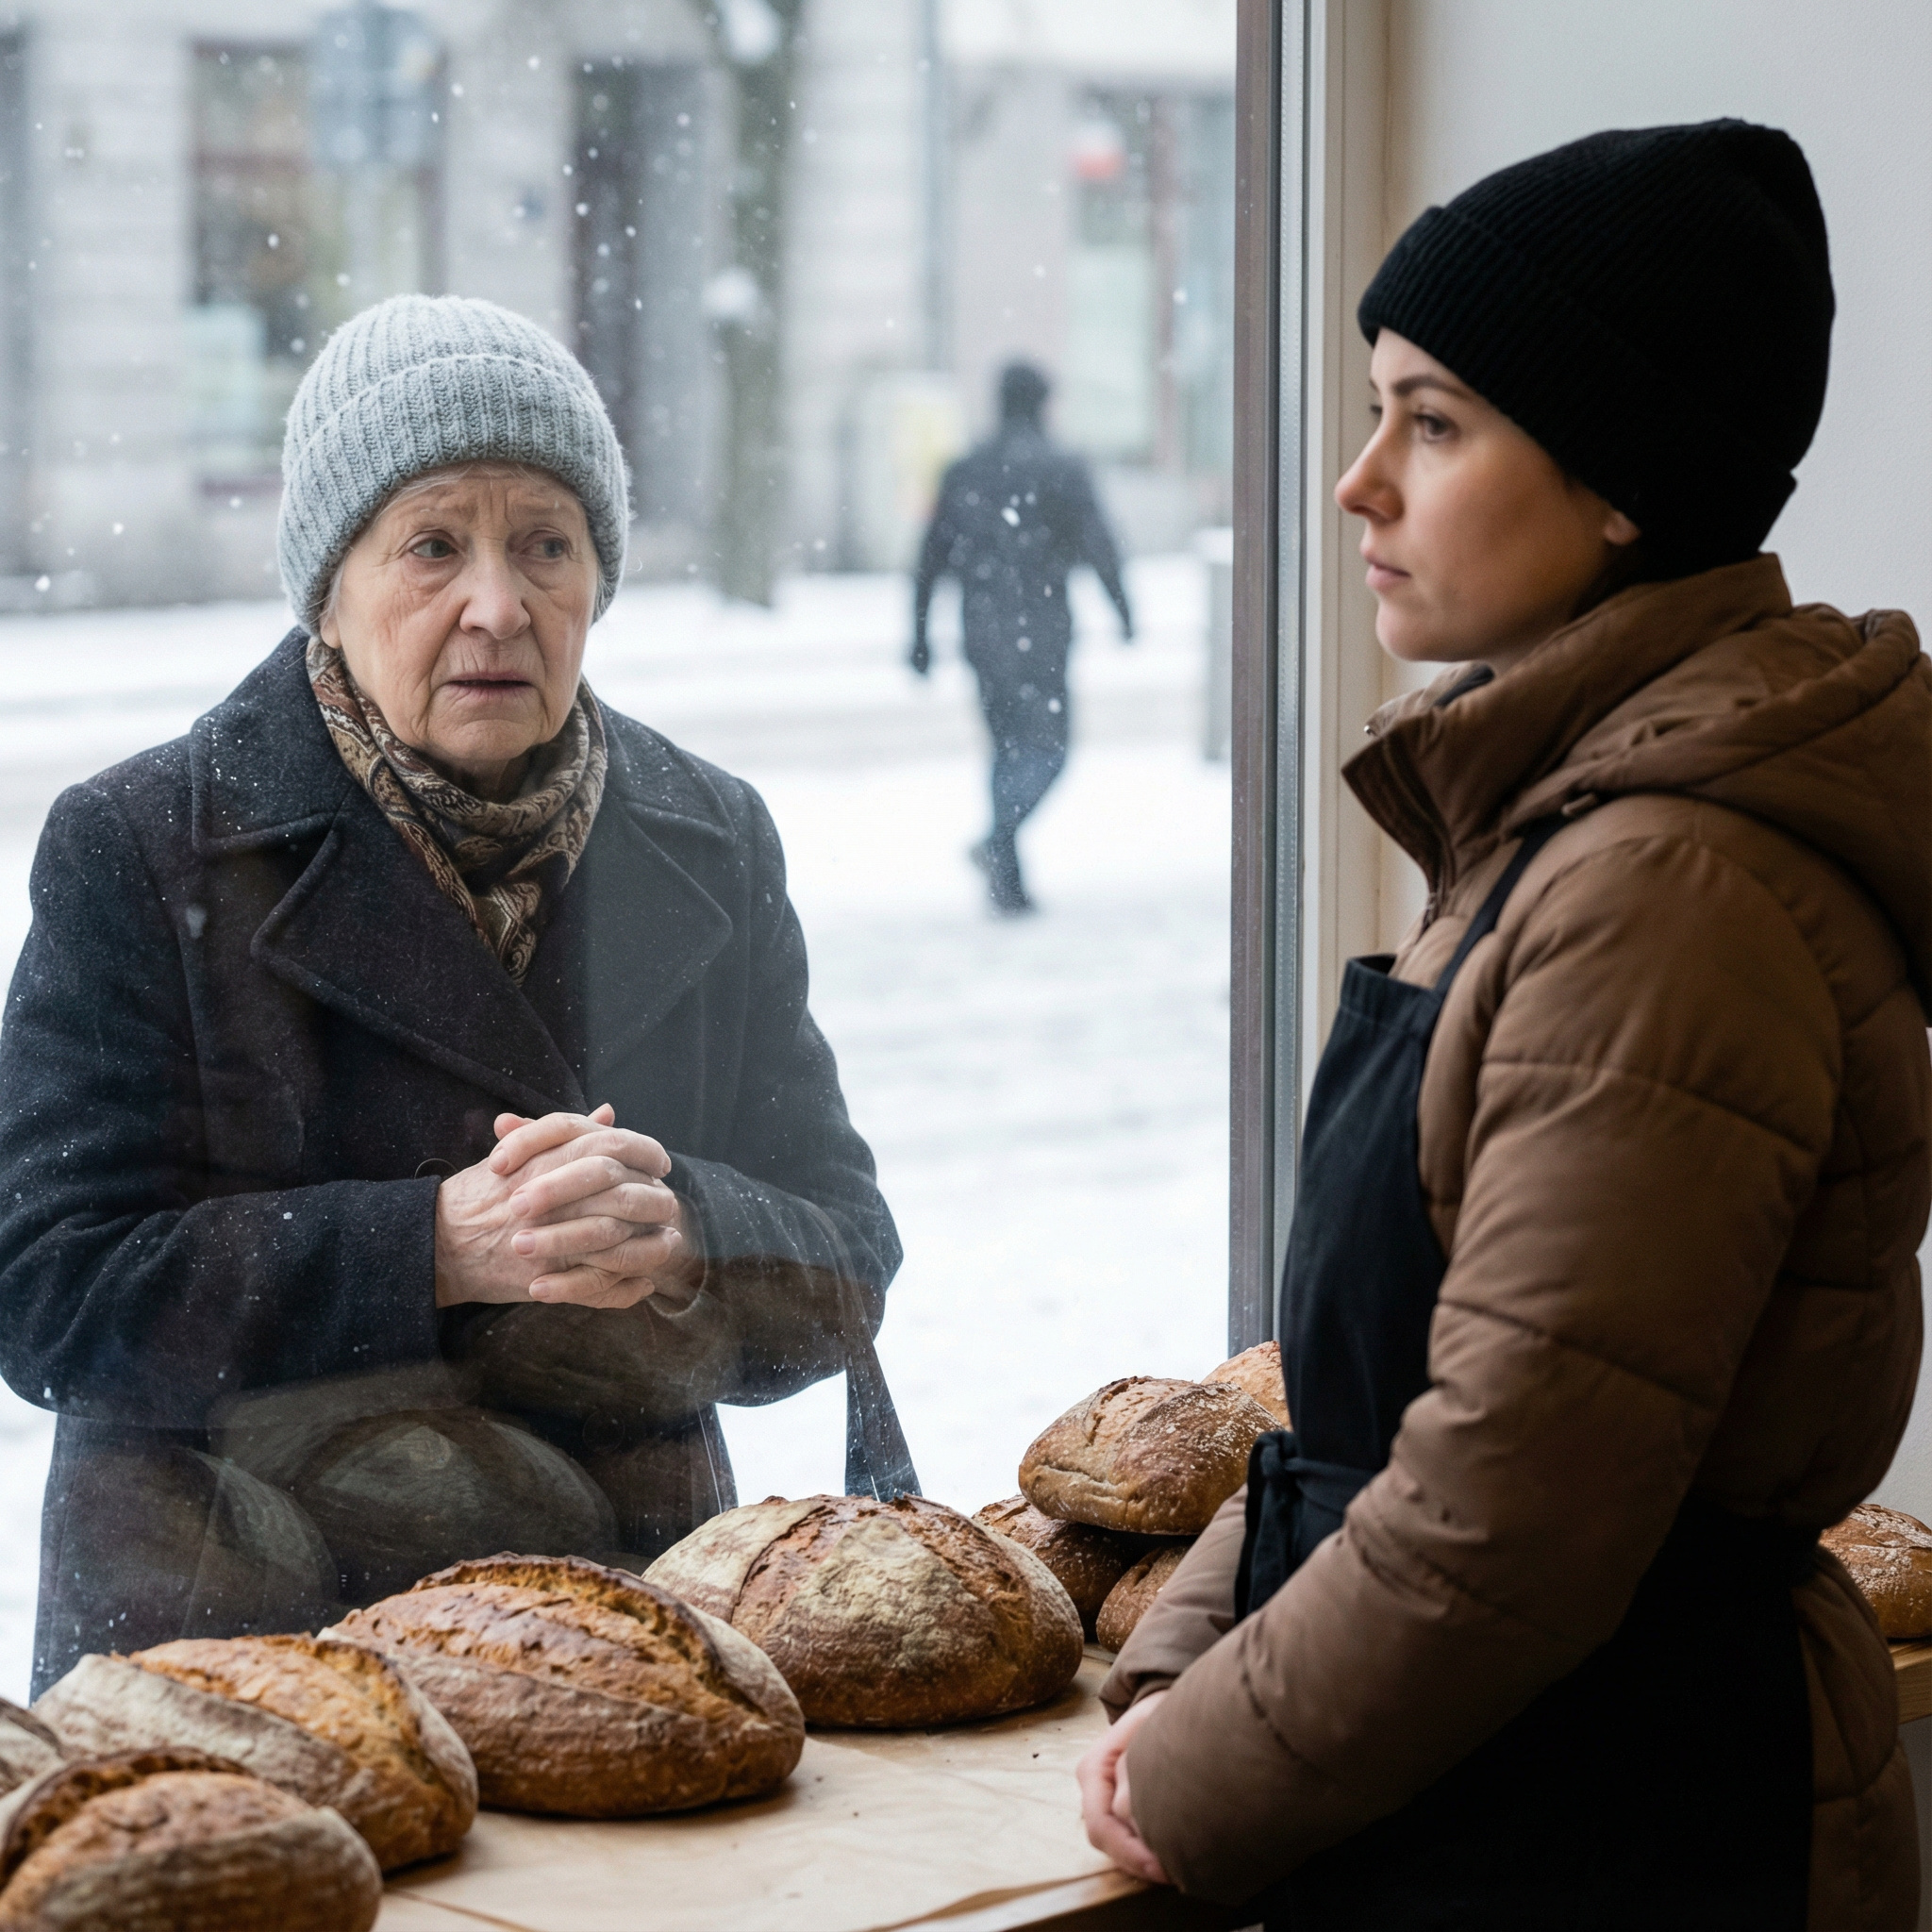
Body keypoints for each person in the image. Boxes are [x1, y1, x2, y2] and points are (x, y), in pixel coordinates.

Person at [1078, 121, 1931, 1927]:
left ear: (1621, 481)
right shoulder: (1558, 823)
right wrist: (1181, 1676)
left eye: (1434, 420)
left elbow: (1507, 1512)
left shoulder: (1665, 896)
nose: (1355, 482)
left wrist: (1204, 1764)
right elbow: (1368, 1425)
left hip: (1605, 1825)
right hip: (1474, 1790)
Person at [0, 294, 913, 1696]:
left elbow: (848, 1253)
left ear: (596, 580)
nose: (498, 603)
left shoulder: (708, 835)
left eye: (546, 544)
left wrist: (683, 1230)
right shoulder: (142, 845)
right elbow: (48, 1292)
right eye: (433, 544)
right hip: (244, 1657)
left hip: (618, 1651)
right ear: (330, 582)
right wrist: (430, 1247)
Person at [911, 361, 1133, 913]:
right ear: (1041, 403)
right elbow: (1099, 543)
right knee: (1048, 750)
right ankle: (999, 844)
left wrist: (917, 633)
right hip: (1043, 628)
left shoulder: (965, 470)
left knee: (1006, 748)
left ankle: (1005, 875)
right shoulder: (1061, 466)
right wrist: (1122, 608)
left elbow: (929, 559)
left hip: (982, 630)